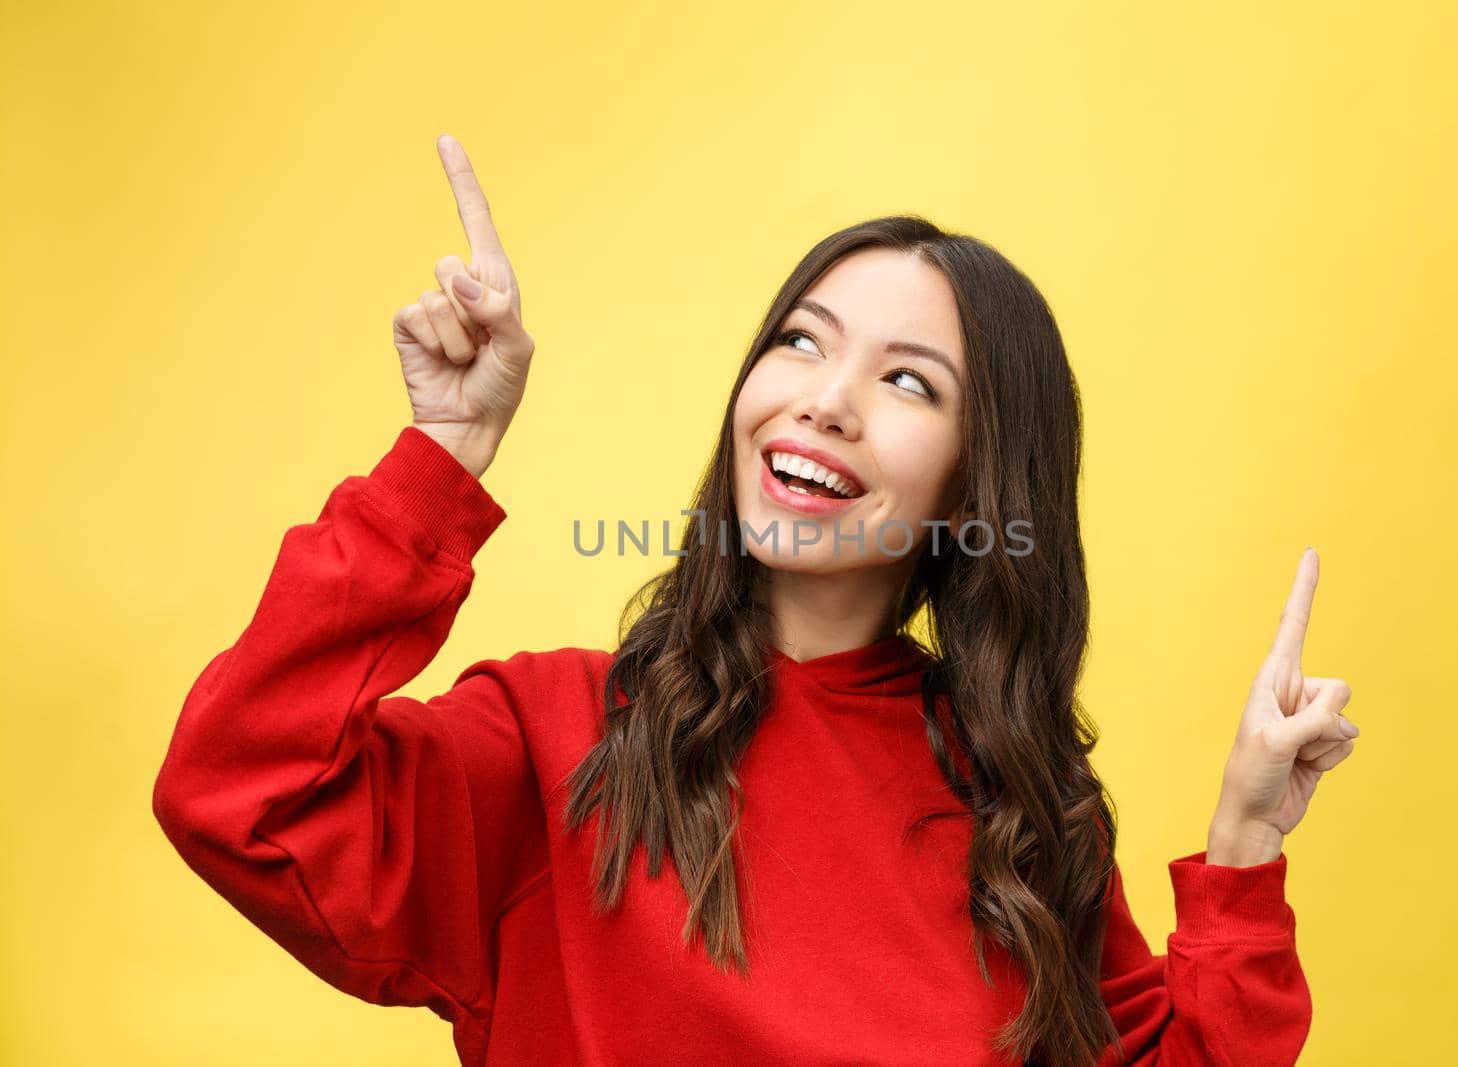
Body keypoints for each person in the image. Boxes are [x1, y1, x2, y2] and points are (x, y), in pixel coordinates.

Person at [151, 133, 1358, 1067]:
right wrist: (442, 457)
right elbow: (238, 788)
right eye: (799, 341)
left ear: (971, 479)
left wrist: (1247, 835)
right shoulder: (556, 739)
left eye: (904, 380)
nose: (823, 400)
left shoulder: (1022, 807)